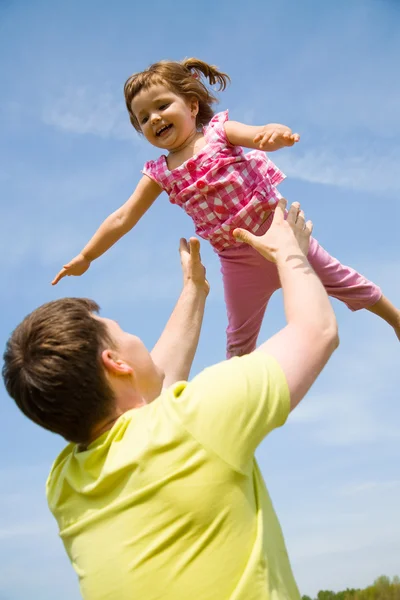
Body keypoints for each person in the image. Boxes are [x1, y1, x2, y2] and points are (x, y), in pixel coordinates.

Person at [4, 199, 338, 600]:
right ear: (114, 361)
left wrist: (194, 290)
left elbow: (147, 396)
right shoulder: (191, 421)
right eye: (122, 331)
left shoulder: (63, 486)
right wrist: (288, 250)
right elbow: (316, 331)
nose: (133, 336)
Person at [51, 57, 400, 355]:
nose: (154, 119)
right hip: (237, 259)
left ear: (191, 105)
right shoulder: (159, 173)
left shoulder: (220, 132)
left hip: (281, 235)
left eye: (161, 106)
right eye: (143, 118)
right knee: (238, 340)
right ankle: (236, 392)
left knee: (346, 281)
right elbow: (123, 216)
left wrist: (274, 134)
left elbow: (259, 133)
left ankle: (396, 319)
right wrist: (87, 255)